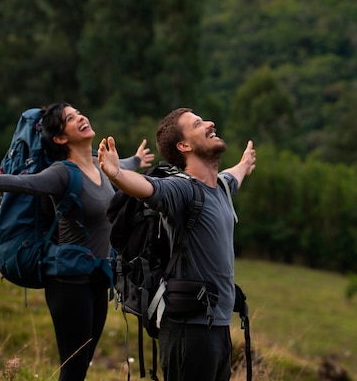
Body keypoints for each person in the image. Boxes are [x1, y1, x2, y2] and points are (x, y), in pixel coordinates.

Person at [0, 102, 155, 381]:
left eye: (78, 113)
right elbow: (24, 184)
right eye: (70, 119)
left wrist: (137, 160)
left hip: (98, 278)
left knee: (82, 368)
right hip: (69, 283)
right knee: (72, 370)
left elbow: (122, 166)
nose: (81, 117)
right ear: (61, 138)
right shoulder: (62, 173)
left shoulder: (101, 166)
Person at [98, 107, 256, 381]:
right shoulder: (182, 190)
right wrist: (117, 175)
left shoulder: (220, 188)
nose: (210, 123)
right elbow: (150, 189)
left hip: (217, 328)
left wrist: (245, 163)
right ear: (184, 145)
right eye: (198, 124)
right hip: (189, 333)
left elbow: (234, 175)